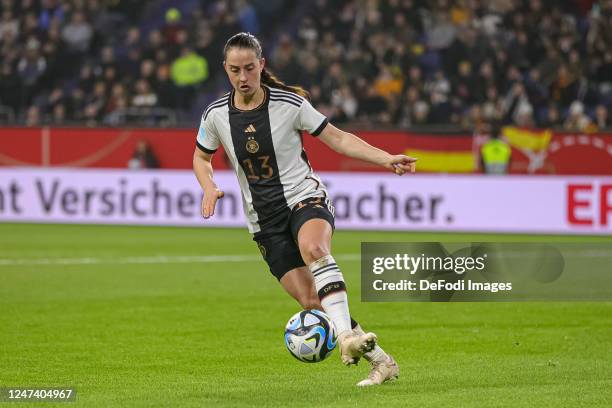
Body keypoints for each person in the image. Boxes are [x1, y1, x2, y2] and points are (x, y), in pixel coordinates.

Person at [192, 33, 416, 386]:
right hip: (263, 221)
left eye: (250, 68)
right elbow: (201, 156)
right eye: (235, 70)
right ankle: (382, 361)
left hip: (303, 198)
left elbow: (338, 138)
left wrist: (385, 158)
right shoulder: (217, 114)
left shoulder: (290, 104)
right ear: (225, 69)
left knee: (315, 249)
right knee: (313, 301)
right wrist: (209, 185)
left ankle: (344, 339)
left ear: (261, 65)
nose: (243, 77)